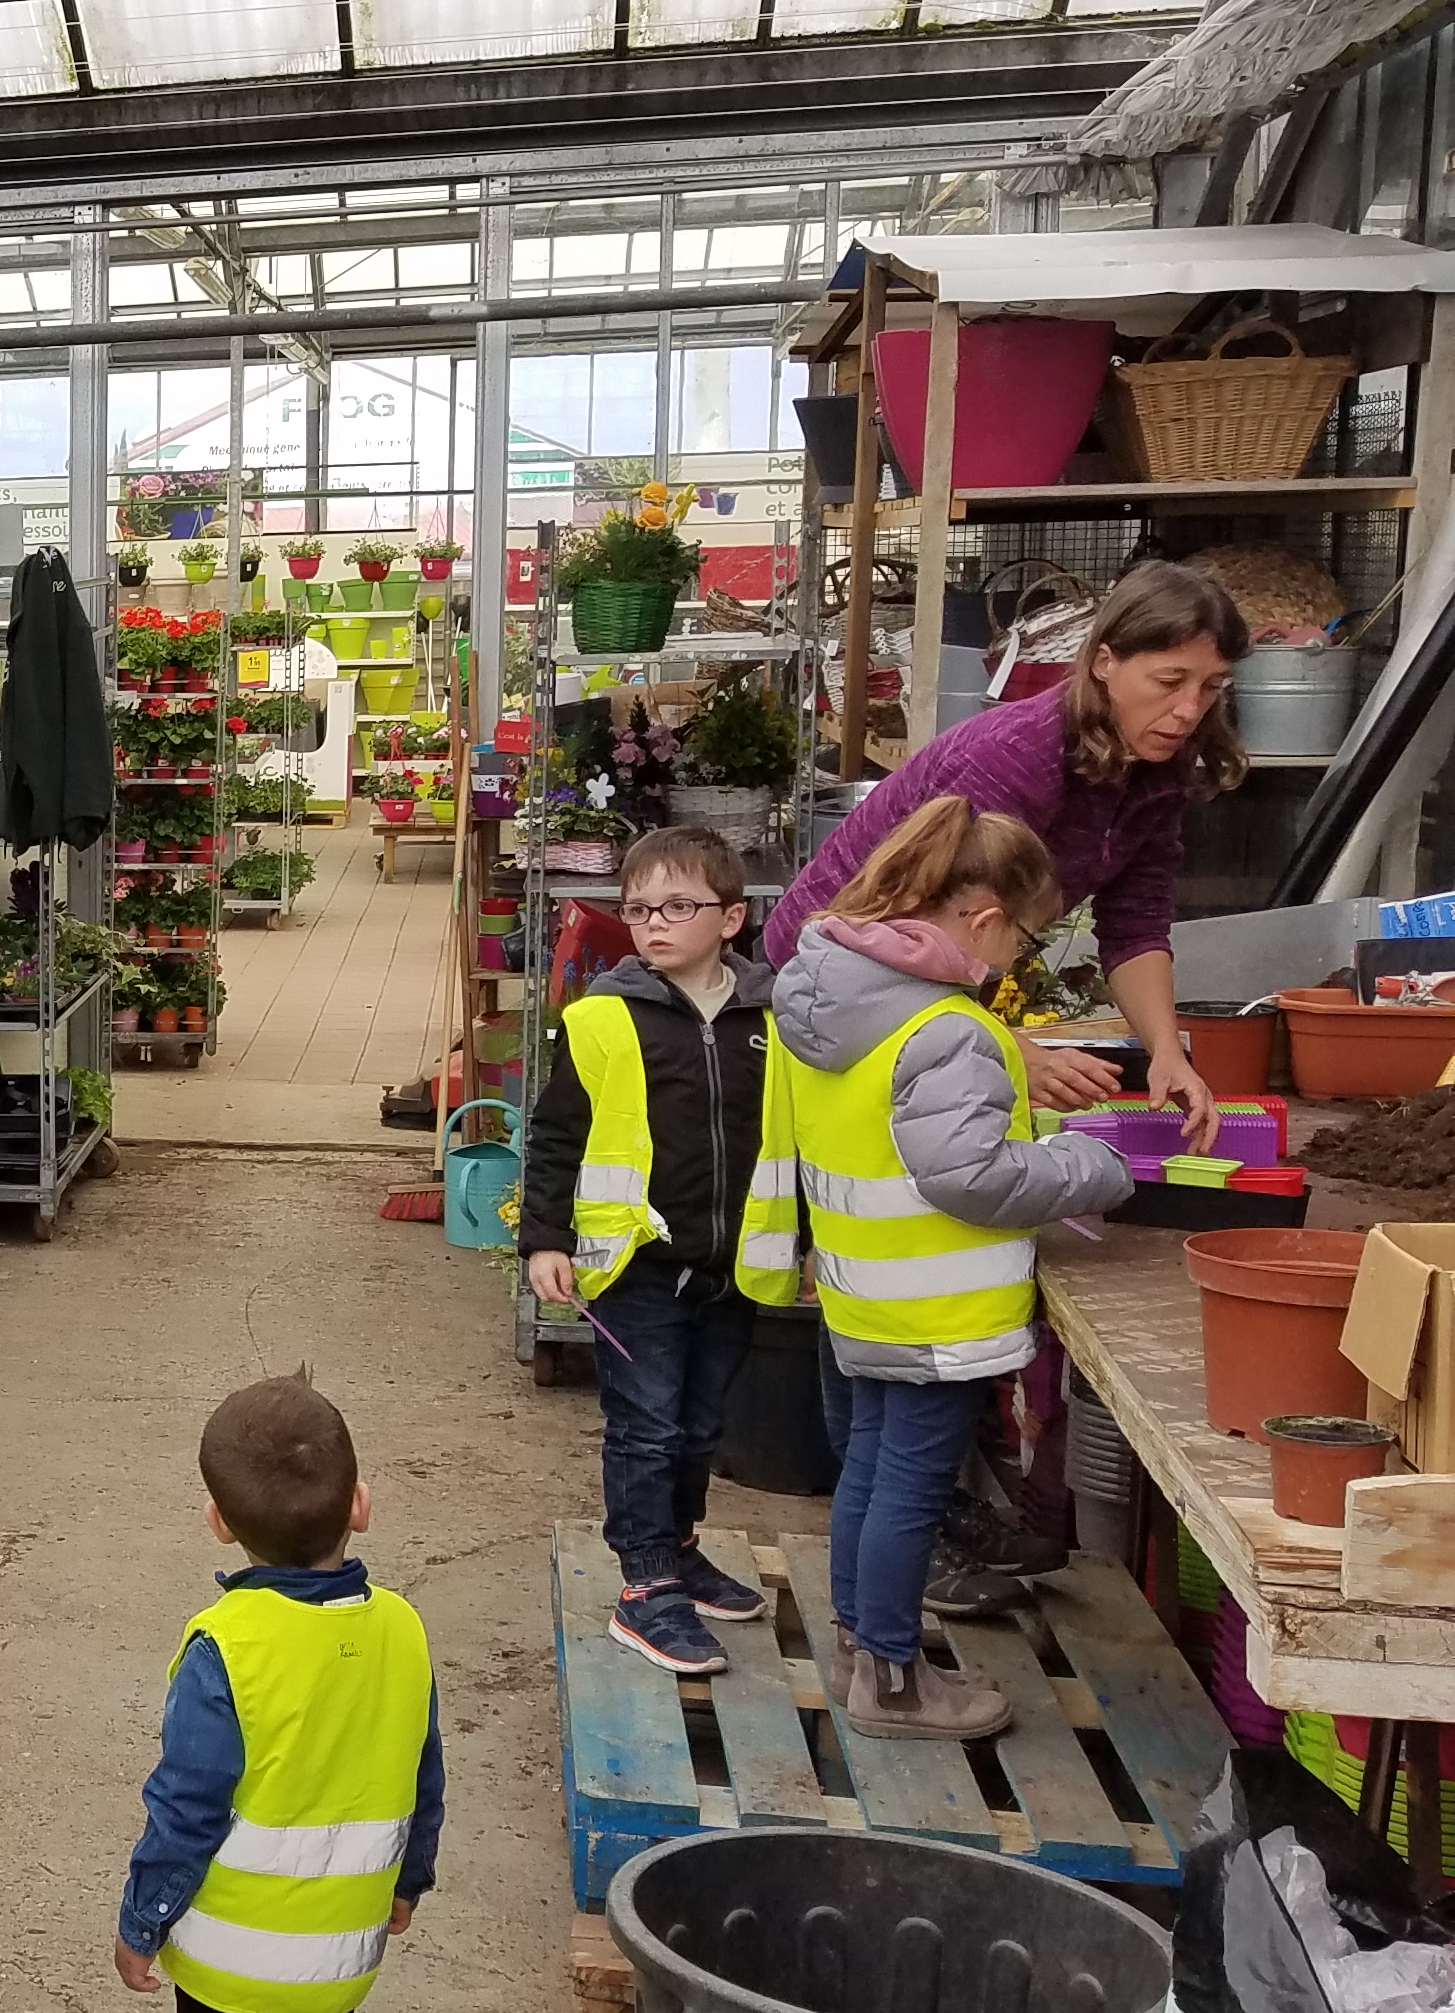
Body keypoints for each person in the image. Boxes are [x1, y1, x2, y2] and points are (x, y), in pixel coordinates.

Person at [772, 795, 1133, 1742]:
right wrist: (1088, 1166)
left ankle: (861, 1646)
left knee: (869, 1477)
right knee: (910, 1491)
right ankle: (893, 1680)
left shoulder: (833, 1001)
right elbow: (967, 1175)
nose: (1022, 956)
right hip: (940, 1310)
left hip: (862, 1291)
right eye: (1027, 935)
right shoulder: (948, 1030)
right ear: (980, 919)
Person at [764, 558, 1253, 1151]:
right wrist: (1015, 1052)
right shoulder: (1018, 756)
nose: (1189, 709)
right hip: (833, 972)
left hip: (936, 981)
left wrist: (1168, 1055)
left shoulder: (1158, 769)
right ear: (1104, 663)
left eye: (1211, 687)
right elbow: (933, 928)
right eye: (1169, 681)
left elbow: (1136, 924)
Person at [115, 1370, 441, 2013]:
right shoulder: (403, 1629)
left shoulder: (225, 1647)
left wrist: (143, 1920)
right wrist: (408, 1882)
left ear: (218, 1522)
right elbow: (424, 1782)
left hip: (230, 1970)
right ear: (359, 1503)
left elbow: (186, 1808)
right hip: (341, 1957)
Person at [515, 824, 804, 1677]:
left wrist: (811, 1242)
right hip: (636, 1268)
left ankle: (676, 1548)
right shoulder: (604, 1018)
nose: (654, 924)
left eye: (678, 906)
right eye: (639, 909)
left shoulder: (776, 1015)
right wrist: (544, 1240)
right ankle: (644, 1587)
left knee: (701, 1425)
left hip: (734, 1265)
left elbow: (800, 1138)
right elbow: (557, 1135)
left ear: (732, 918)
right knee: (645, 1429)